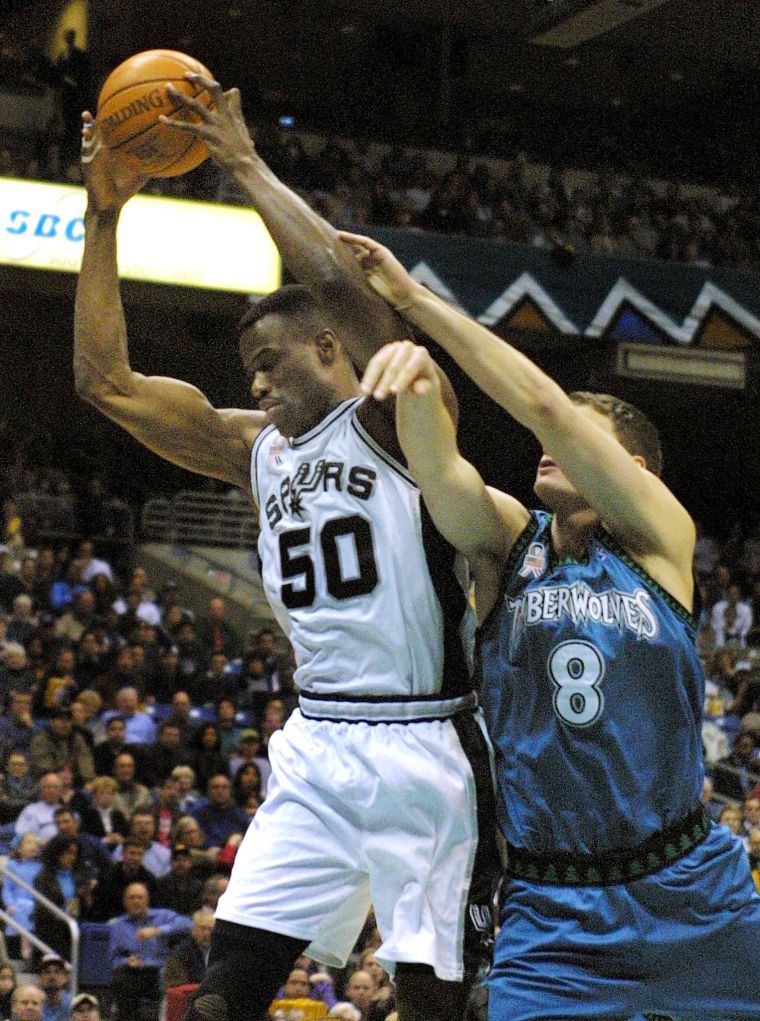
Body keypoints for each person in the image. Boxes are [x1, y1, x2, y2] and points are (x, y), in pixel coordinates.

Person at [74, 79, 497, 1021]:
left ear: (330, 350)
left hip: (426, 740)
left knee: (433, 1005)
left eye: (274, 360)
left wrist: (241, 160)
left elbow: (349, 287)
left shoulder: (397, 418)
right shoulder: (252, 451)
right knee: (223, 998)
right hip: (317, 746)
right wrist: (102, 218)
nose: (258, 380)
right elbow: (105, 382)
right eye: (247, 371)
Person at [339, 229, 760, 1019]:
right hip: (551, 908)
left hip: (693, 896)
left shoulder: (661, 541)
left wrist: (416, 300)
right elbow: (440, 471)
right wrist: (420, 385)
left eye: (581, 435)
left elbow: (545, 405)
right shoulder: (509, 540)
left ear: (630, 470)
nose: (548, 443)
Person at [108, 882, 192, 1021]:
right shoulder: (118, 925)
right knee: (121, 977)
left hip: (160, 969)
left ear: (147, 900)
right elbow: (114, 959)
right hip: (134, 972)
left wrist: (158, 930)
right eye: (132, 897)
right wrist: (126, 961)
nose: (136, 901)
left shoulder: (162, 916)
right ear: (125, 901)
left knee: (169, 974)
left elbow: (187, 924)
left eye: (140, 897)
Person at [164, 909, 215, 987]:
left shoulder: (222, 951)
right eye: (202, 928)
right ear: (193, 930)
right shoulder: (180, 953)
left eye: (210, 929)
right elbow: (177, 985)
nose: (206, 933)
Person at [36, 954, 71, 1021]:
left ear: (65, 978)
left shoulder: (74, 1004)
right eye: (47, 972)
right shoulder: (32, 1003)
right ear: (39, 977)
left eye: (57, 972)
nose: (52, 976)